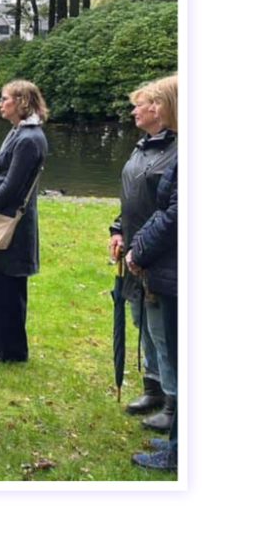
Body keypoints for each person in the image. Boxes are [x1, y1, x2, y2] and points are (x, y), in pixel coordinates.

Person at [110, 75, 178, 432]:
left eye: (138, 104)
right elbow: (131, 195)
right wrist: (119, 229)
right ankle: (152, 387)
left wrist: (144, 247)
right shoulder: (143, 146)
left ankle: (173, 400)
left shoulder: (177, 149)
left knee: (162, 328)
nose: (133, 110)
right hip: (135, 250)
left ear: (158, 107)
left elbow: (169, 209)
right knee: (142, 323)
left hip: (157, 253)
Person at [0, 80, 49, 364]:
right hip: (5, 215)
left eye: (5, 98)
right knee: (0, 277)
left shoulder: (30, 138)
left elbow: (12, 185)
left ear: (21, 102)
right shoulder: (19, 133)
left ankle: (10, 349)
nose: (0, 103)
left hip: (14, 221)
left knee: (9, 282)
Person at [128, 157, 179, 472]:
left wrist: (141, 249)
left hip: (172, 268)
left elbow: (174, 214)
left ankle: (178, 453)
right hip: (167, 264)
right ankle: (178, 439)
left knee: (178, 356)